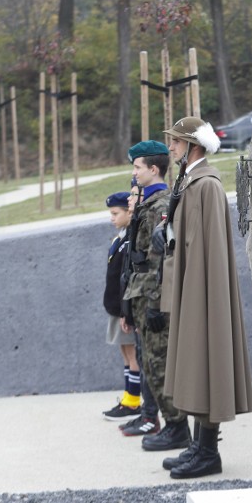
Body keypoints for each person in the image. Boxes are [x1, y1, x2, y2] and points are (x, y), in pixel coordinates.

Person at [157, 117, 252, 479]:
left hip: (204, 286)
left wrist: (199, 289)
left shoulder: (207, 185)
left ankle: (208, 450)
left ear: (192, 146)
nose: (171, 148)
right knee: (195, 362)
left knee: (206, 360)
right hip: (192, 282)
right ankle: (199, 445)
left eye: (177, 142)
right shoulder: (189, 180)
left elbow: (208, 246)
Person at [121, 140, 192, 452]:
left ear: (153, 169)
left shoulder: (161, 205)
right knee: (151, 364)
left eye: (138, 167)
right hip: (142, 295)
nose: (134, 172)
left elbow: (163, 262)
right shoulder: (148, 203)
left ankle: (177, 427)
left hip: (154, 298)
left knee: (159, 364)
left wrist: (153, 305)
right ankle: (172, 424)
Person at [118, 182, 162, 437]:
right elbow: (128, 271)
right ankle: (147, 413)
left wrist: (153, 304)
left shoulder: (154, 212)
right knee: (144, 359)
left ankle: (153, 418)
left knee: (152, 364)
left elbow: (155, 264)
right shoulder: (134, 223)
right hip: (137, 298)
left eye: (135, 196)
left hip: (149, 299)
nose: (130, 201)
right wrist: (127, 310)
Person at [100, 190, 142, 421]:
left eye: (116, 213)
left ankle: (134, 402)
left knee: (132, 353)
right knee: (125, 354)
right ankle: (128, 397)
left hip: (125, 310)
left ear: (129, 212)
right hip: (115, 308)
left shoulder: (130, 240)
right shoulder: (120, 238)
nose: (112, 218)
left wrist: (128, 311)